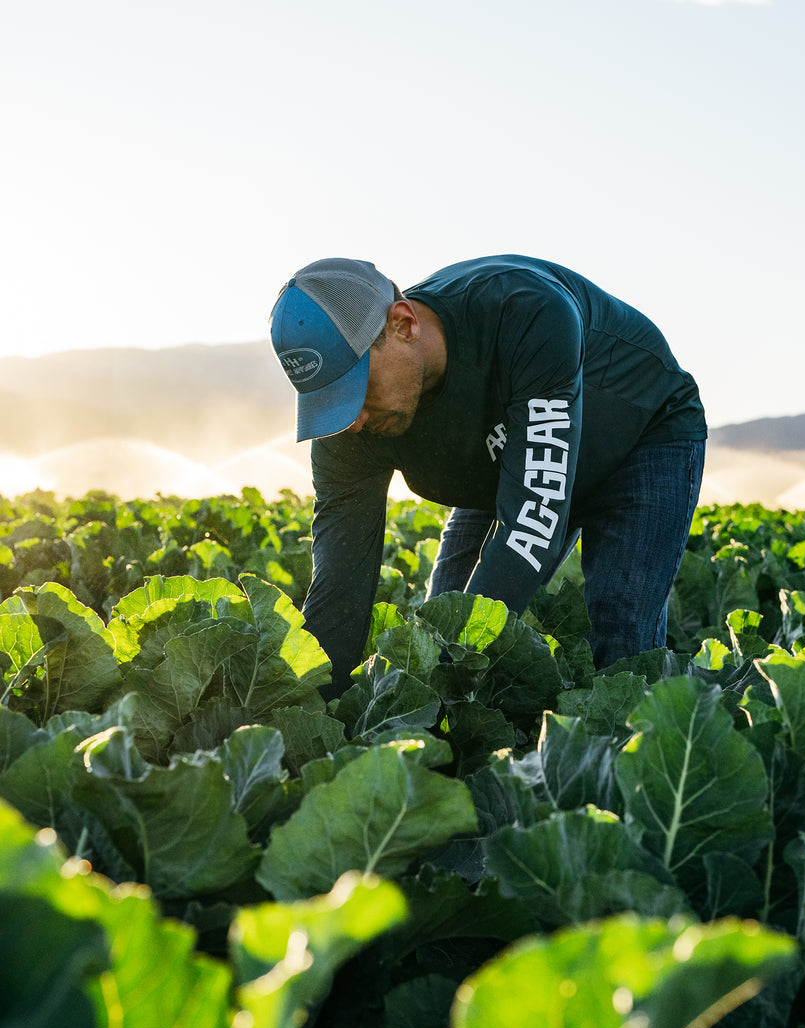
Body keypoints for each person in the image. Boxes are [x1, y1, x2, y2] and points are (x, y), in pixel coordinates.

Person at [269, 254, 707, 700]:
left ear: (403, 323)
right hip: (505, 464)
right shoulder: (348, 426)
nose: (353, 420)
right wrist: (313, 712)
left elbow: (531, 525)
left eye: (356, 388)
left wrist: (442, 683)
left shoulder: (525, 310)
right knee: (442, 626)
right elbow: (339, 585)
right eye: (331, 401)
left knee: (619, 639)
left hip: (642, 435)